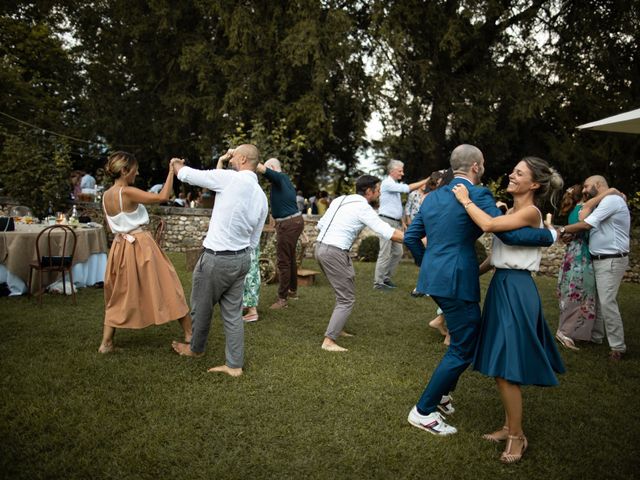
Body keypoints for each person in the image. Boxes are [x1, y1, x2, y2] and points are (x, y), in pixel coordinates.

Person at [404, 144, 554, 438]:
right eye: (483, 163)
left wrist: (428, 266)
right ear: (476, 167)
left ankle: (444, 396)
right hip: (458, 280)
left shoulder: (432, 198)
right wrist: (550, 235)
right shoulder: (478, 194)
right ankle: (423, 411)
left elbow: (411, 237)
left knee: (465, 339)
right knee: (463, 346)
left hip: (435, 279)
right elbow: (506, 232)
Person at [451, 156, 565, 464]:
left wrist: (464, 199)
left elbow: (487, 225)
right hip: (502, 285)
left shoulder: (530, 212)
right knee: (502, 363)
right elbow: (498, 254)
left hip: (517, 288)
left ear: (535, 184)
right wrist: (472, 272)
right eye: (513, 171)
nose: (511, 176)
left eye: (519, 173)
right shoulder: (512, 211)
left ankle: (518, 437)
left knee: (507, 368)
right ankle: (507, 426)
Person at [170, 145, 268, 377]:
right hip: (242, 259)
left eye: (234, 155)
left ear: (243, 159)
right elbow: (255, 239)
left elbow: (187, 175)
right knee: (233, 314)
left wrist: (175, 164)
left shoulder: (231, 179)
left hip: (217, 259)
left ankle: (196, 349)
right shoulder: (261, 196)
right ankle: (234, 365)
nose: (231, 158)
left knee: (201, 308)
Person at [98, 151, 192, 354]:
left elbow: (112, 225)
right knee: (168, 284)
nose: (137, 172)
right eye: (134, 169)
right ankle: (189, 334)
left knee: (118, 292)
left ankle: (106, 343)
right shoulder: (127, 192)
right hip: (140, 245)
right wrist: (170, 172)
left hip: (119, 247)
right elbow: (163, 196)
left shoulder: (106, 196)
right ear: (124, 171)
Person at [315, 175, 404, 352]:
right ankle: (329, 341)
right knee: (346, 298)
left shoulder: (340, 199)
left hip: (319, 248)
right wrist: (418, 239)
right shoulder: (363, 208)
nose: (379, 193)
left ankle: (337, 328)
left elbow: (320, 224)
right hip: (335, 251)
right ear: (369, 191)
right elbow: (387, 232)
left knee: (344, 291)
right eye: (377, 189)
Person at [559, 176, 630, 361]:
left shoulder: (612, 200)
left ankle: (618, 347)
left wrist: (561, 230)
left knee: (607, 301)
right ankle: (596, 337)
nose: (584, 190)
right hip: (597, 258)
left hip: (611, 259)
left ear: (598, 185)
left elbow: (586, 221)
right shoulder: (607, 199)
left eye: (587, 186)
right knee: (597, 300)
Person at [256, 158, 305, 309]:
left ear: (271, 167)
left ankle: (282, 299)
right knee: (289, 258)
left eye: (268, 168)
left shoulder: (280, 177)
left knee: (283, 261)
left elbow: (260, 168)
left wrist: (240, 154)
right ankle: (292, 291)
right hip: (293, 222)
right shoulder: (282, 182)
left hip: (288, 224)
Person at [374, 160, 428, 290]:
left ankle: (386, 279)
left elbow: (396, 206)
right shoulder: (387, 183)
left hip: (395, 222)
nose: (402, 173)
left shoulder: (394, 184)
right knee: (385, 253)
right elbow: (407, 189)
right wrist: (426, 180)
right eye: (400, 171)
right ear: (392, 171)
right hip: (386, 222)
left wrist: (402, 221)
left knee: (398, 252)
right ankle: (378, 283)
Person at [555, 184, 596, 350]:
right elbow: (584, 227)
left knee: (572, 290)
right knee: (578, 292)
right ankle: (565, 331)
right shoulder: (582, 209)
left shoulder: (573, 210)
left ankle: (572, 330)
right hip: (581, 256)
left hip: (572, 254)